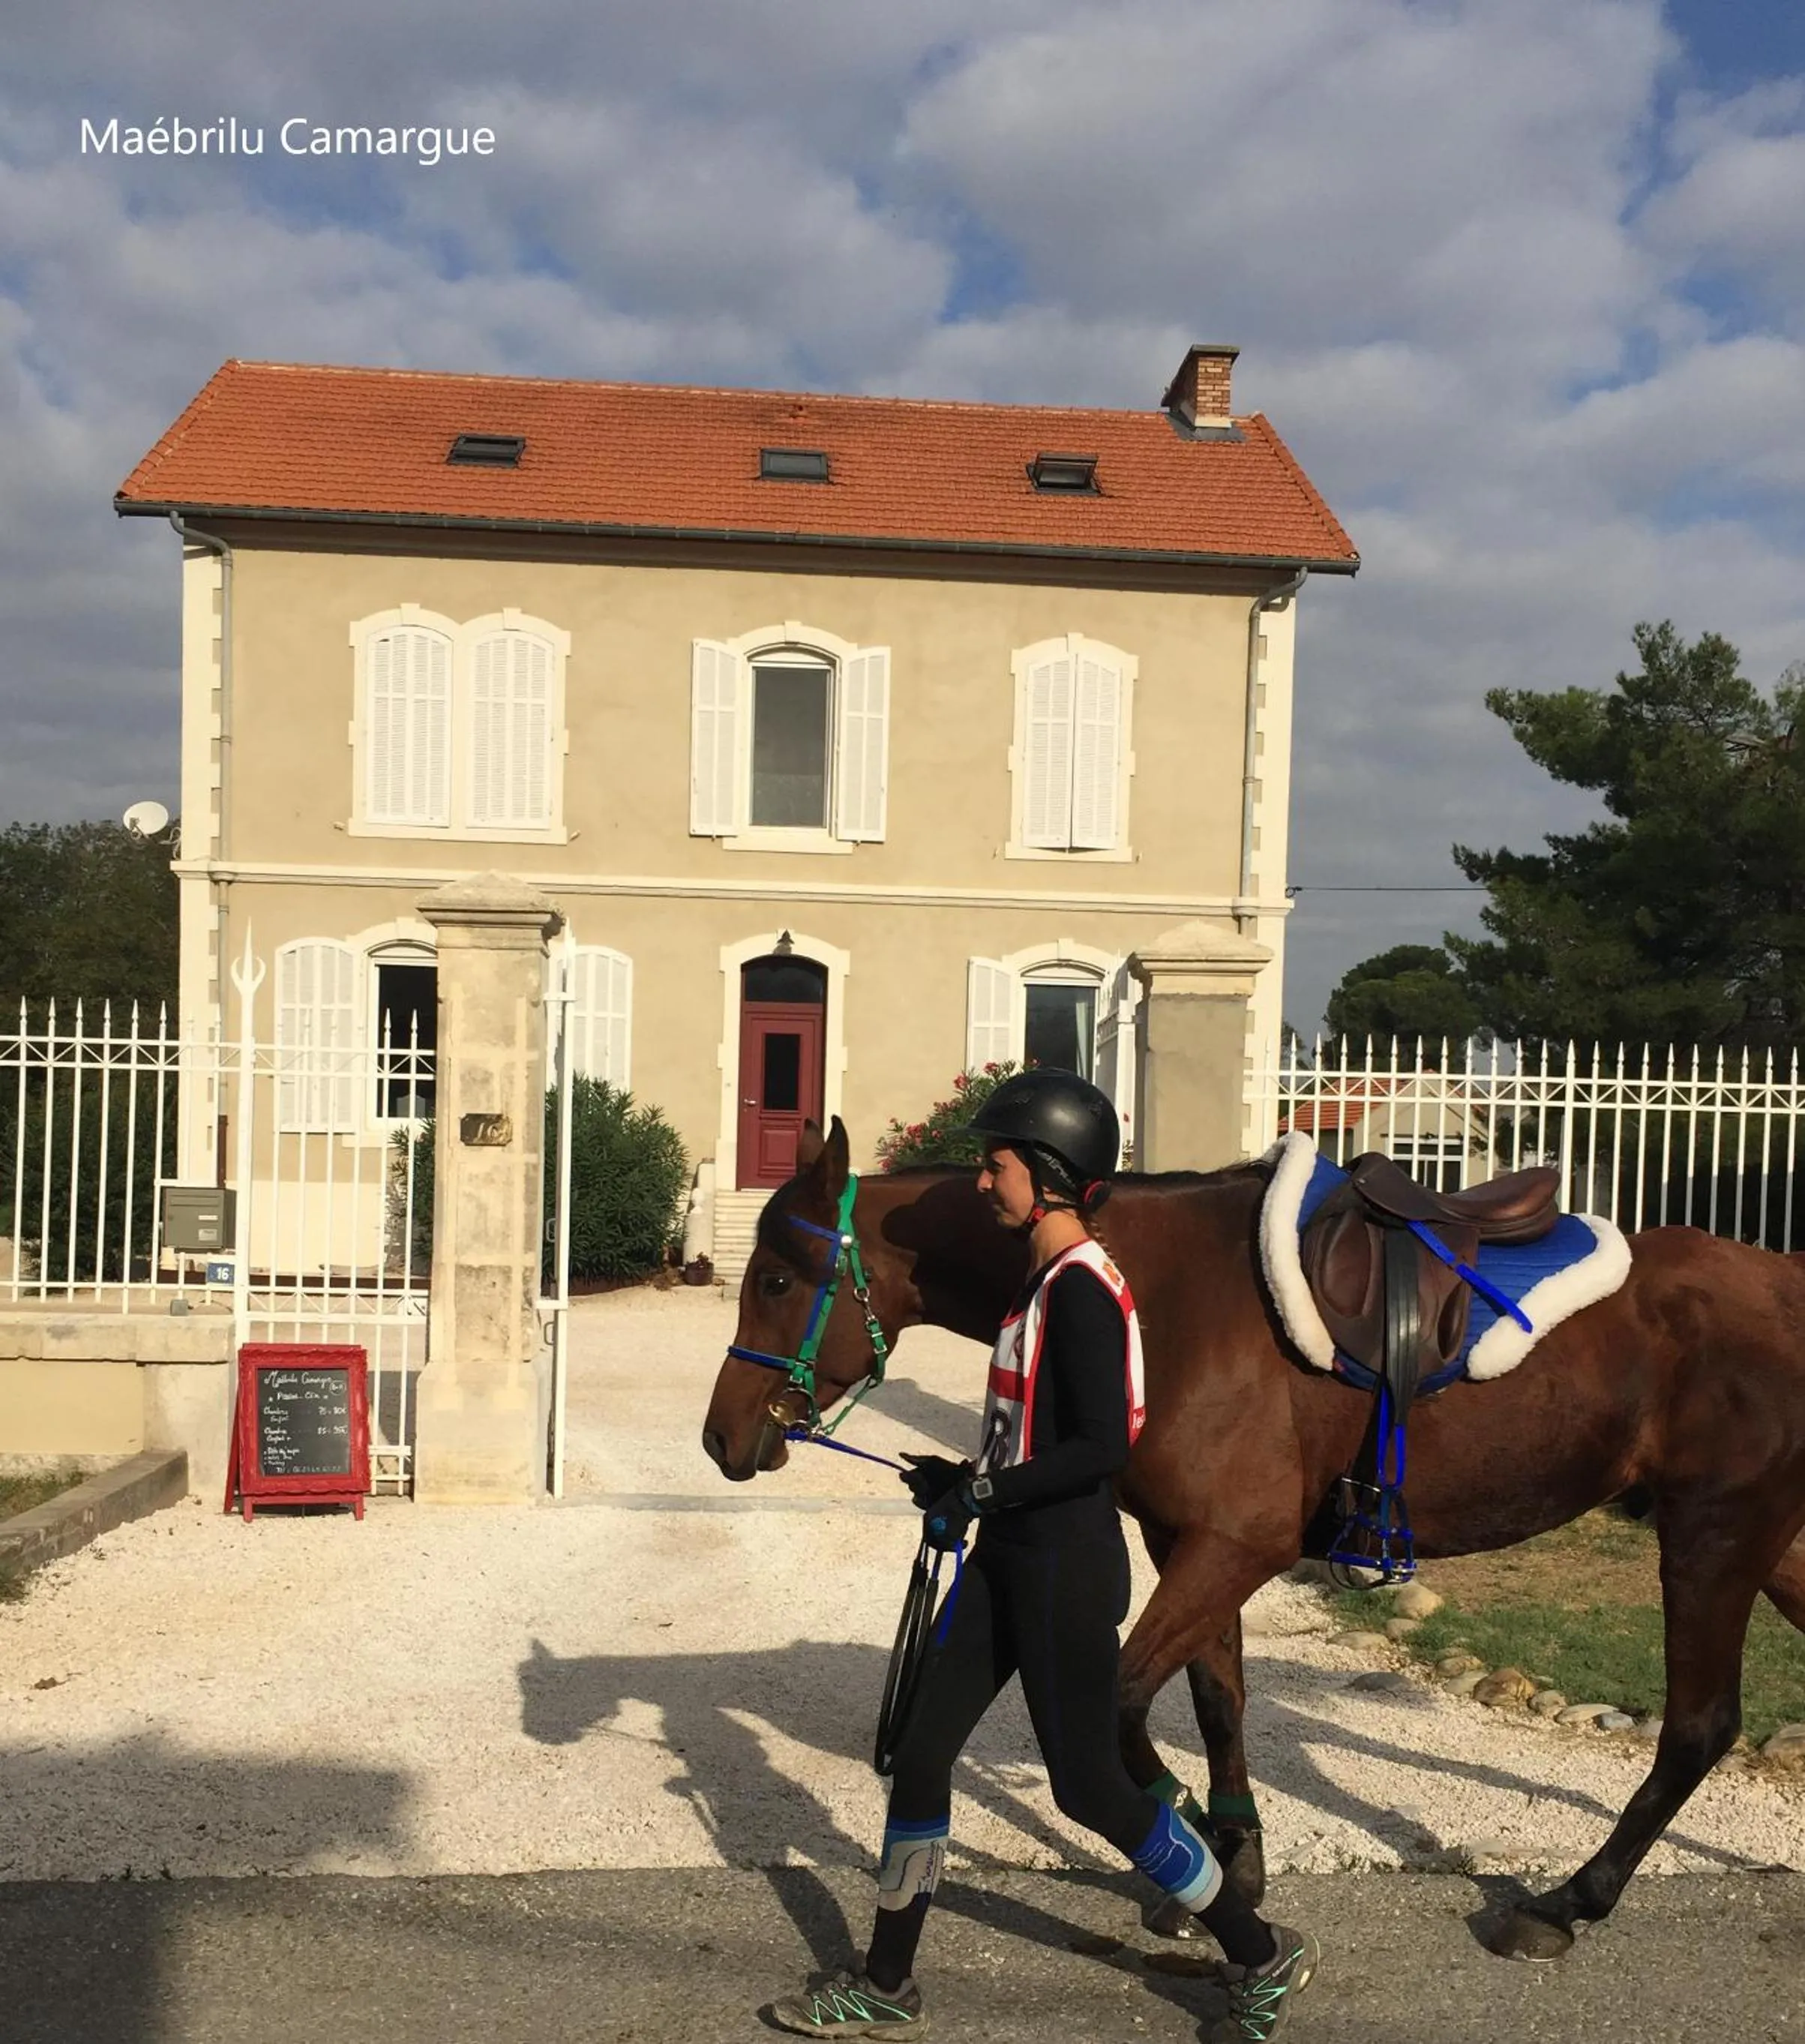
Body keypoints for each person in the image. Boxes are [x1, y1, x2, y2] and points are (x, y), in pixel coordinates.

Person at [771, 1069, 1318, 2042]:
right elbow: (1034, 1439)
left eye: (998, 1164)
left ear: (1050, 1172)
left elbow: (1101, 1450)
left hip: (1064, 1569)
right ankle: (887, 1982)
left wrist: (983, 1490)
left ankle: (1257, 1951)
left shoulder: (1083, 1294)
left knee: (1090, 1790)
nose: (984, 1182)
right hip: (1005, 1556)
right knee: (923, 1754)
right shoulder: (1040, 1283)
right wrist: (960, 1481)